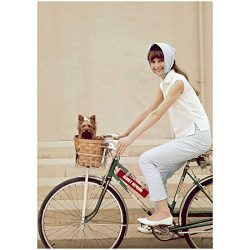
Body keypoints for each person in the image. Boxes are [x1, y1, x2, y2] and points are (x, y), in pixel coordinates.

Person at [116, 42, 212, 233]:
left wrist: (131, 139)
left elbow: (157, 115)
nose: (157, 65)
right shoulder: (164, 83)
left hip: (196, 138)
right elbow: (149, 110)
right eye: (153, 61)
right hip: (186, 138)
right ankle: (163, 219)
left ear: (169, 60)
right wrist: (125, 133)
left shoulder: (177, 82)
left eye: (161, 60)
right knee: (158, 174)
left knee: (147, 159)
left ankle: (163, 214)